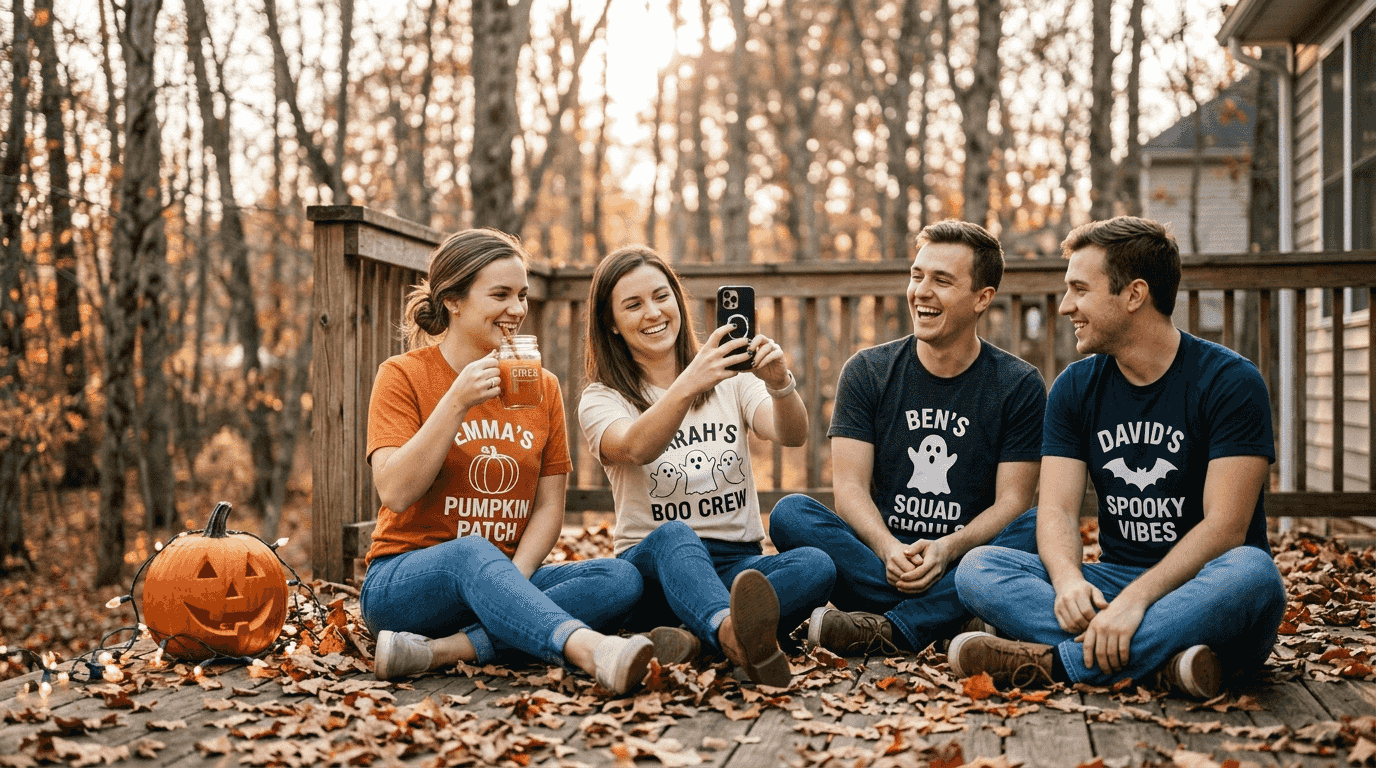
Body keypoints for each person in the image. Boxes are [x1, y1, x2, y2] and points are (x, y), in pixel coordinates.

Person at [951, 216, 1287, 698]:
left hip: (1206, 589)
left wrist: (1136, 601)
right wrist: (1069, 582)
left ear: (1134, 295)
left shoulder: (1230, 382)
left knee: (1254, 572)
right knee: (979, 567)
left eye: (1080, 289)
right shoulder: (1075, 387)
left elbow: (1225, 528)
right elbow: (1057, 510)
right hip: (1113, 580)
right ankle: (1164, 664)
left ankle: (1058, 662)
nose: (1066, 306)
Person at [359, 229, 654, 694]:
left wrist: (508, 584)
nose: (516, 309)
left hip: (502, 574)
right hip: (404, 584)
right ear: (453, 300)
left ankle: (442, 651)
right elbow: (395, 492)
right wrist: (455, 402)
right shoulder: (403, 375)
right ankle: (590, 650)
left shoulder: (543, 387)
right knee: (471, 551)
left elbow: (548, 507)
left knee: (619, 577)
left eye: (522, 295)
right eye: (500, 295)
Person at [768, 220, 1047, 657]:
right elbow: (849, 489)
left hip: (964, 560)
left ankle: (891, 629)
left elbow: (1012, 503)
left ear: (982, 298)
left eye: (942, 281)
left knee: (1042, 525)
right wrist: (889, 549)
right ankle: (953, 615)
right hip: (880, 561)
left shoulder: (1019, 384)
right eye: (917, 276)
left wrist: (947, 549)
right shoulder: (867, 371)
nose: (921, 292)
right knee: (791, 514)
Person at [578, 245, 836, 688]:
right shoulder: (602, 398)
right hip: (656, 570)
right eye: (633, 305)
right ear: (611, 323)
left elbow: (791, 434)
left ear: (678, 301)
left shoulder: (732, 380)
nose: (653, 312)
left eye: (662, 296)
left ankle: (692, 640)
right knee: (676, 534)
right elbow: (635, 448)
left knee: (816, 565)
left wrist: (780, 384)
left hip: (735, 562)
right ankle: (730, 635)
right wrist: (688, 382)